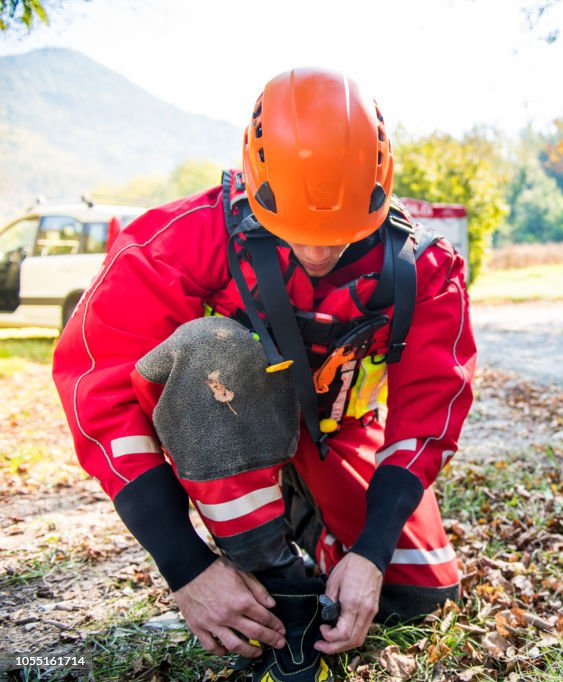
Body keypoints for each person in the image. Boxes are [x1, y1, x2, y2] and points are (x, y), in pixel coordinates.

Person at [52, 68, 476, 680]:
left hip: (339, 431)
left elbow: (429, 418)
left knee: (418, 597)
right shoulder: (186, 235)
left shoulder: (425, 271)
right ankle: (276, 580)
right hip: (231, 430)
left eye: (340, 232)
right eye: (299, 232)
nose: (319, 252)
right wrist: (186, 567)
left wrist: (373, 552)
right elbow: (98, 390)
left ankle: (318, 533)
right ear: (255, 184)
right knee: (215, 351)